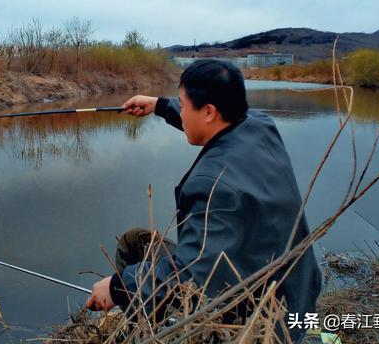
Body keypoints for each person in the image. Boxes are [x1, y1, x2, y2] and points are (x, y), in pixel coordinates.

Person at [86, 59, 322, 343]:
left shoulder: (215, 185)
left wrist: (118, 288)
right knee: (136, 241)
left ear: (209, 112)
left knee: (141, 276)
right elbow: (207, 117)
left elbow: (190, 272)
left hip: (263, 322)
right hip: (296, 289)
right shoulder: (259, 125)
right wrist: (159, 105)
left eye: (183, 106)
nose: (181, 112)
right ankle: (144, 325)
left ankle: (147, 333)